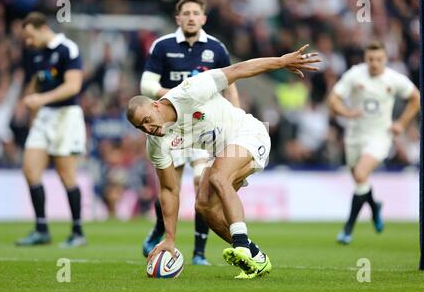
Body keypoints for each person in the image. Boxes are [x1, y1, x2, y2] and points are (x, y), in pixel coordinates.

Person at [127, 44, 320, 278]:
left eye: (147, 119)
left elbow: (238, 70)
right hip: (221, 151)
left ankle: (240, 244)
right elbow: (169, 189)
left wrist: (281, 61)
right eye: (141, 127)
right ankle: (255, 255)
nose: (148, 128)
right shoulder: (156, 143)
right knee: (204, 206)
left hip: (249, 133)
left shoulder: (189, 91)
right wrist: (170, 238)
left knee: (219, 177)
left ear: (156, 105)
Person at [139, 0, 240, 265]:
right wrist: (179, 96)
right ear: (178, 18)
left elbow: (230, 82)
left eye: (196, 13)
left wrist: (237, 115)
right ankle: (161, 229)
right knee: (168, 186)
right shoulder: (163, 46)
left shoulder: (216, 48)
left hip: (203, 125)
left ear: (204, 18)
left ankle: (198, 252)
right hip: (171, 127)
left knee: (200, 184)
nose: (192, 17)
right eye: (186, 13)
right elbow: (147, 85)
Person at [327, 41, 420, 245]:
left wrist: (402, 124)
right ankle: (375, 206)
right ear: (365, 59)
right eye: (371, 59)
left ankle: (347, 230)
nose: (374, 63)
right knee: (360, 181)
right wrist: (347, 112)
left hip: (380, 136)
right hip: (354, 136)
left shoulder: (394, 79)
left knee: (361, 174)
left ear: (385, 59)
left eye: (378, 59)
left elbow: (415, 98)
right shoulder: (354, 74)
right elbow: (333, 100)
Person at [15, 12, 87, 248]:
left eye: (29, 36)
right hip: (45, 116)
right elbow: (37, 81)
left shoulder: (68, 49)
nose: (28, 41)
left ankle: (77, 232)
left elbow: (73, 86)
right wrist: (30, 100)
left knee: (66, 174)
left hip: (66, 116)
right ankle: (41, 229)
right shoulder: (38, 54)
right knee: (30, 169)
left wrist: (41, 99)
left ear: (42, 28)